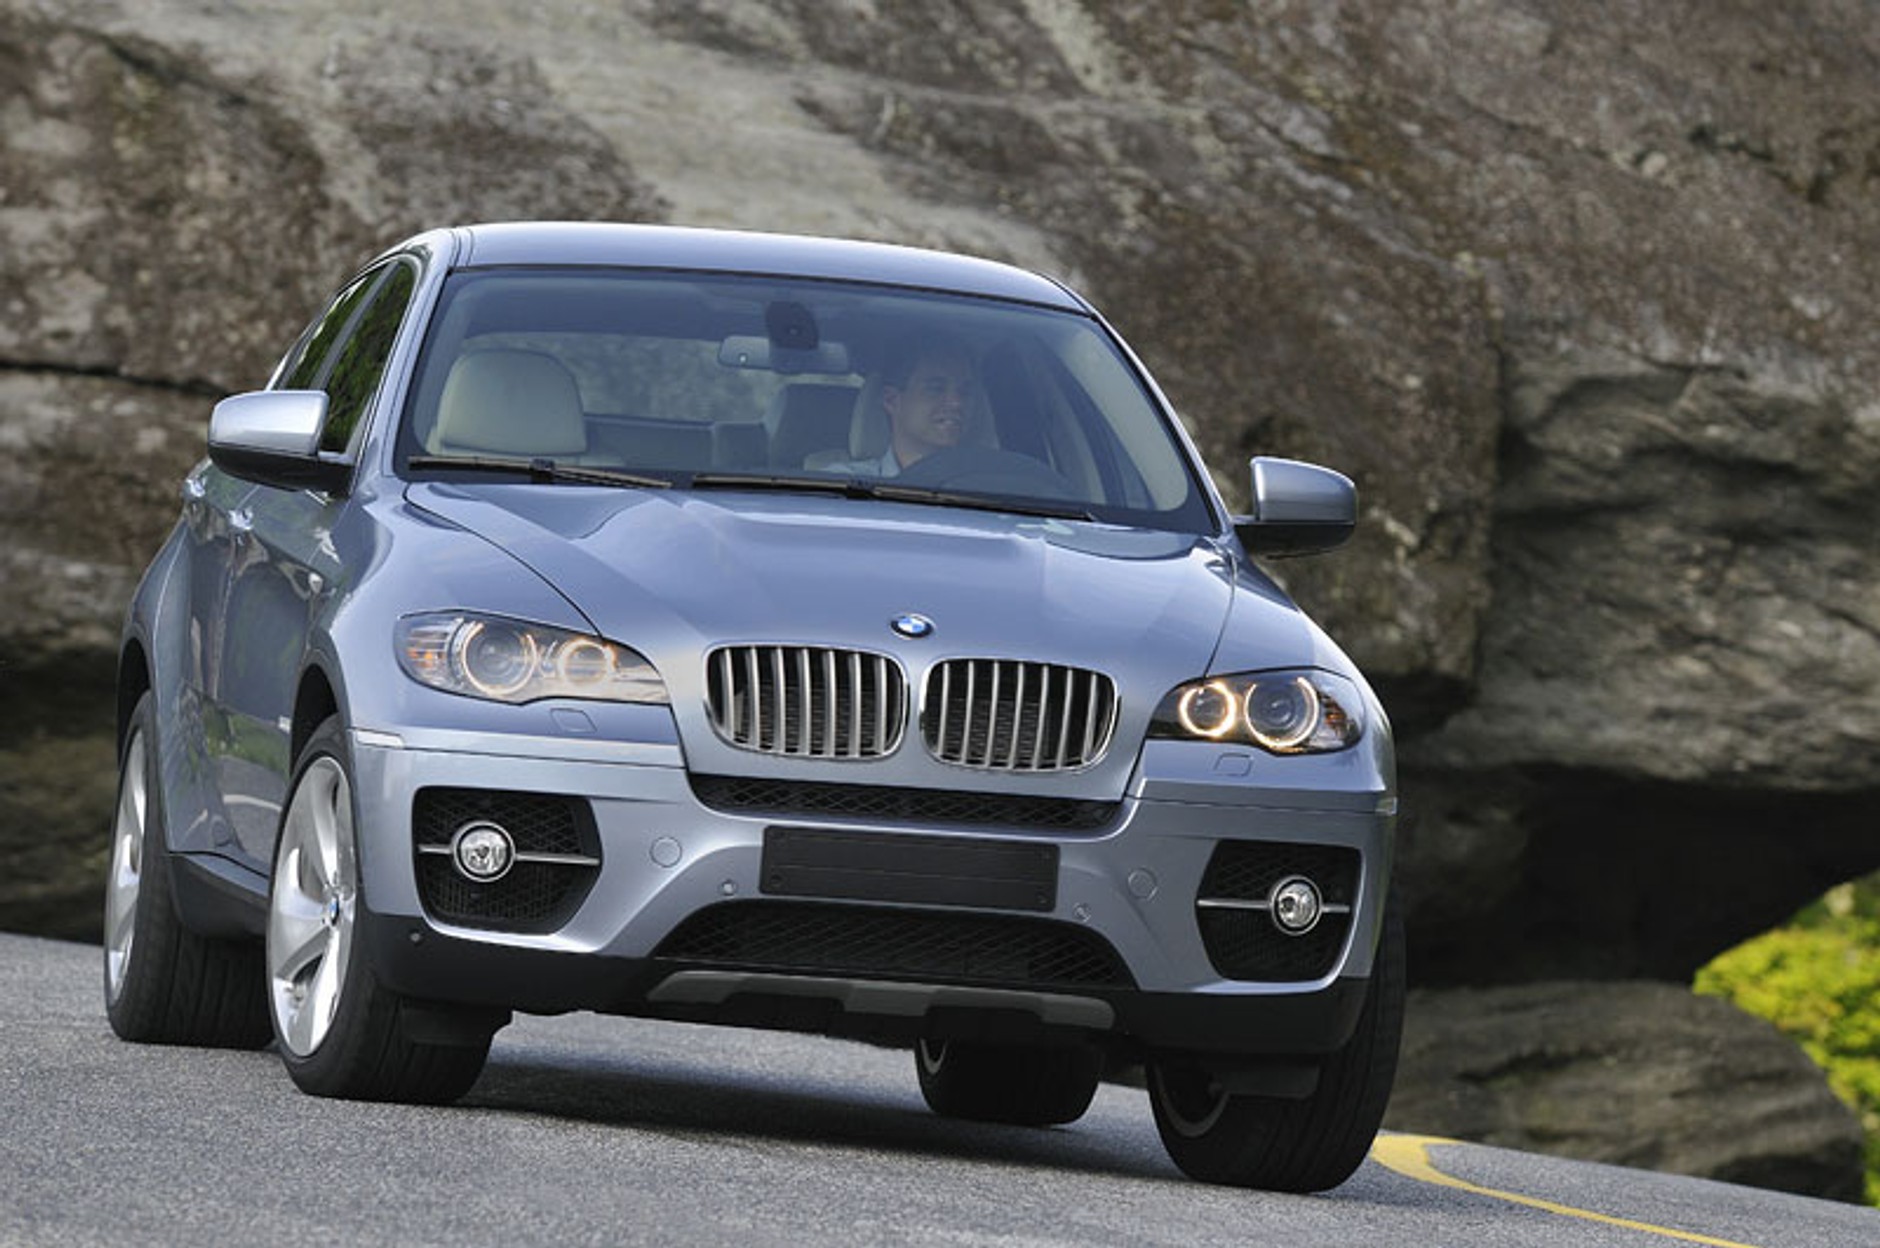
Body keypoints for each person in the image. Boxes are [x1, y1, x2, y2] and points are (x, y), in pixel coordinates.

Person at [826, 337, 975, 476]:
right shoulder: (842, 487)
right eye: (936, 389)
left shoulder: (990, 488)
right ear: (891, 400)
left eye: (965, 392)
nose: (957, 402)